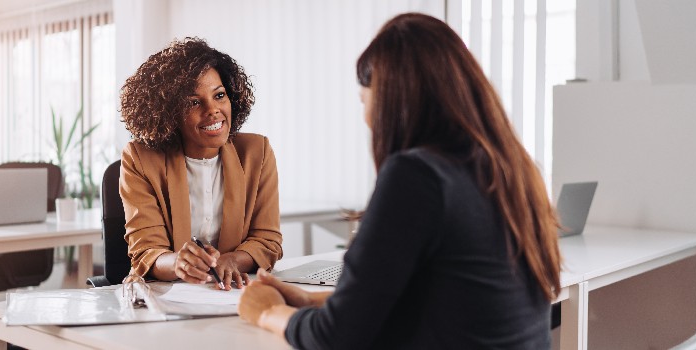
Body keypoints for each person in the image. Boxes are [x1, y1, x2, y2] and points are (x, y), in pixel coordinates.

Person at [238, 13, 561, 349]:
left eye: (364, 100)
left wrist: (268, 312)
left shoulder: (418, 176)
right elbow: (437, 298)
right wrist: (308, 301)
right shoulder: (516, 171)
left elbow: (336, 339)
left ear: (392, 100)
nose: (366, 120)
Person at [119, 38, 282, 290]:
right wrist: (178, 263)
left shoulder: (256, 153)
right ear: (169, 112)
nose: (213, 110)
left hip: (231, 294)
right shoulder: (140, 158)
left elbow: (267, 240)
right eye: (194, 102)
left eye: (219, 95)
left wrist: (232, 261)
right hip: (164, 297)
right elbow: (146, 251)